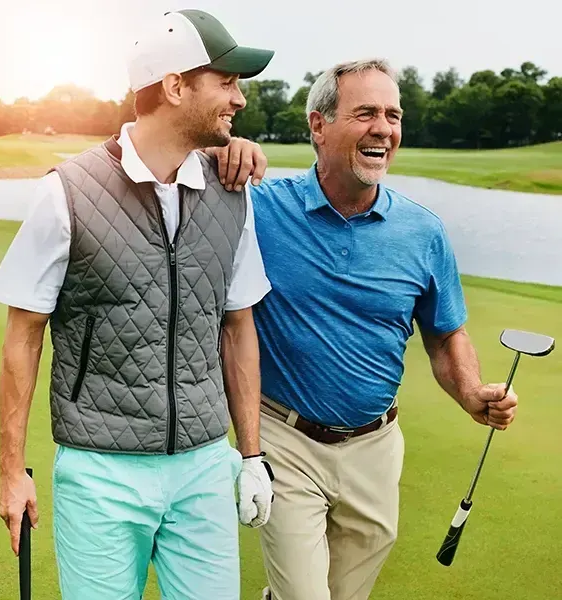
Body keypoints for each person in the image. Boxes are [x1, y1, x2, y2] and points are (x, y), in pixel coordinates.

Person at [0, 9, 277, 600]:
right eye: (225, 82)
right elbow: (23, 334)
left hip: (203, 466)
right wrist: (11, 472)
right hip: (100, 473)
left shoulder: (232, 193)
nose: (239, 98)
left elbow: (238, 325)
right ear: (175, 86)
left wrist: (251, 455)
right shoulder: (66, 192)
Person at [208, 58, 520, 600]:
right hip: (284, 438)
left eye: (393, 115)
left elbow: (446, 334)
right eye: (366, 113)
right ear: (318, 125)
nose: (384, 128)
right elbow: (170, 179)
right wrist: (216, 152)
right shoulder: (258, 210)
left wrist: (471, 391)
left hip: (376, 446)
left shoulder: (422, 231)